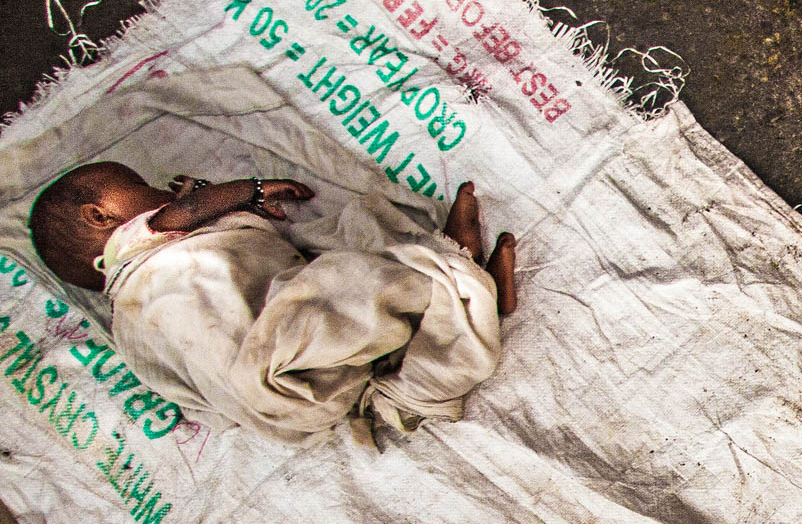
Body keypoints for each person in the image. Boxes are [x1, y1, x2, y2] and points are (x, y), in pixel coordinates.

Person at [28, 162, 518, 444]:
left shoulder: (131, 332)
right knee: (344, 281)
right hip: (271, 361)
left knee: (331, 316)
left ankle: (416, 367)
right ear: (100, 216)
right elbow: (190, 209)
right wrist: (250, 191)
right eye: (143, 188)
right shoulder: (138, 243)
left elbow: (186, 386)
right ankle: (454, 270)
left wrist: (240, 402)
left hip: (282, 414)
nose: (158, 194)